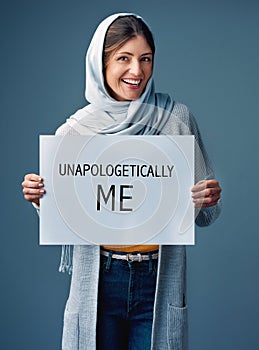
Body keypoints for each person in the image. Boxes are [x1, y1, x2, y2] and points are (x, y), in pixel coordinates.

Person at [22, 13, 222, 350]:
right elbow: (66, 221)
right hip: (100, 280)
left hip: (158, 279)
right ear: (100, 64)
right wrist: (41, 200)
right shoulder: (73, 133)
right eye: (123, 58)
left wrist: (208, 197)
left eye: (146, 59)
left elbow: (206, 216)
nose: (137, 71)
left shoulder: (175, 119)